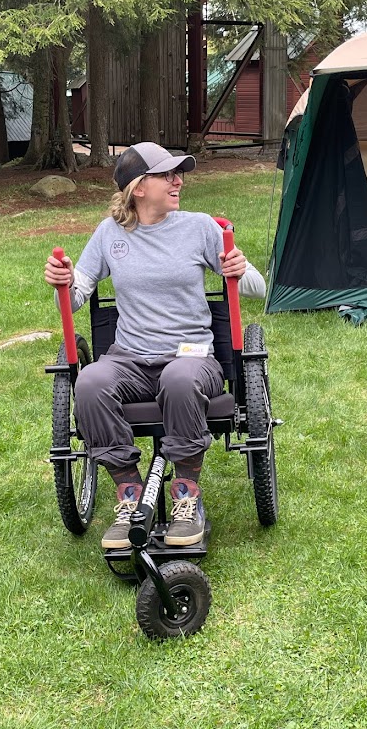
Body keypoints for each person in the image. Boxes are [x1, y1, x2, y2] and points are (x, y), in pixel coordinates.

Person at [44, 142, 266, 550]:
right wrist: (64, 279)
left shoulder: (200, 227)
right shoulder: (110, 234)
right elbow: (77, 295)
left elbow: (256, 287)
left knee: (180, 380)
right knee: (90, 383)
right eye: (167, 174)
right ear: (138, 188)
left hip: (190, 356)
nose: (178, 180)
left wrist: (239, 267)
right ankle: (128, 495)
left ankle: (186, 497)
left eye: (178, 173)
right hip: (130, 358)